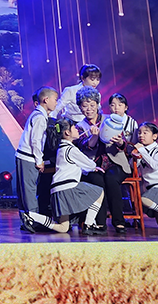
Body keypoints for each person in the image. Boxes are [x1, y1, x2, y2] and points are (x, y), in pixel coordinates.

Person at [49, 117, 105, 235]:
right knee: (99, 193)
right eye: (74, 128)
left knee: (63, 228)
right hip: (68, 187)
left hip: (57, 190)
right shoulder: (71, 149)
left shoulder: (61, 148)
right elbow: (88, 163)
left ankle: (33, 217)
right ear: (67, 132)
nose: (77, 130)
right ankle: (88, 224)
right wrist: (94, 167)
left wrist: (90, 168)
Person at [16, 86, 59, 233]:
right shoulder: (40, 117)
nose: (56, 102)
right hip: (28, 157)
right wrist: (39, 160)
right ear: (46, 100)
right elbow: (36, 140)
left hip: (24, 156)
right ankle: (33, 220)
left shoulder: (38, 114)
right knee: (29, 190)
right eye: (55, 99)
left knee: (25, 190)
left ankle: (27, 220)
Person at [100, 93, 139, 233]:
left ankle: (120, 220)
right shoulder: (105, 121)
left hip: (125, 161)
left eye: (120, 105)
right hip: (106, 161)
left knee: (112, 178)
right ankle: (100, 221)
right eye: (112, 105)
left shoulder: (132, 123)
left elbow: (135, 146)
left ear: (126, 107)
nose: (116, 108)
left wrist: (123, 144)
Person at [74, 86, 108, 230]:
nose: (89, 109)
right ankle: (98, 222)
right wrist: (94, 136)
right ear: (80, 108)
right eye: (85, 106)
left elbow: (122, 142)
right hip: (90, 165)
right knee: (97, 181)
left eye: (92, 105)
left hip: (110, 162)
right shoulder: (79, 126)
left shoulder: (107, 120)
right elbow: (86, 147)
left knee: (110, 179)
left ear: (98, 105)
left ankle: (116, 221)